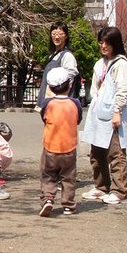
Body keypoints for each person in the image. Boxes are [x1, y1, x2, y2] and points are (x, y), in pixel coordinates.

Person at [81, 26, 127, 205]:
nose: (103, 45)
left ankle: (120, 192)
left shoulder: (121, 64)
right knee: (96, 152)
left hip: (113, 114)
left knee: (115, 153)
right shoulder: (99, 63)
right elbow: (95, 89)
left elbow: (122, 90)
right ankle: (101, 186)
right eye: (101, 42)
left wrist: (117, 112)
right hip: (98, 114)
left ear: (115, 44)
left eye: (107, 42)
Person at [38, 67, 83, 217]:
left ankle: (48, 199)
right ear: (69, 85)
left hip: (50, 146)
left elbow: (44, 118)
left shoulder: (47, 104)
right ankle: (68, 205)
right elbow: (78, 120)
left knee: (48, 175)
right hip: (69, 147)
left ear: (50, 87)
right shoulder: (75, 104)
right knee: (68, 177)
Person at [36, 22, 80, 111]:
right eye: (54, 34)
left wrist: (60, 97)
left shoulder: (67, 55)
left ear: (66, 36)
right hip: (49, 100)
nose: (56, 37)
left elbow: (70, 78)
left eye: (60, 34)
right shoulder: (52, 55)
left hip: (60, 104)